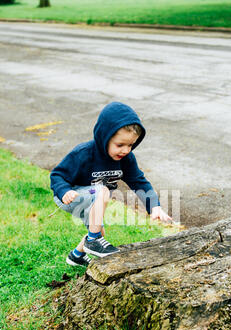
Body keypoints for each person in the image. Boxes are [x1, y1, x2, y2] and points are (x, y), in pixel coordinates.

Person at [50, 101, 172, 267]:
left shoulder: (126, 159)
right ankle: (92, 241)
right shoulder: (84, 153)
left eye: (130, 145)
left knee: (99, 230)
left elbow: (139, 181)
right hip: (71, 196)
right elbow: (57, 175)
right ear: (104, 138)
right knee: (103, 192)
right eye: (120, 145)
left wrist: (154, 206)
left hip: (92, 198)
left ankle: (76, 255)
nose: (126, 150)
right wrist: (64, 191)